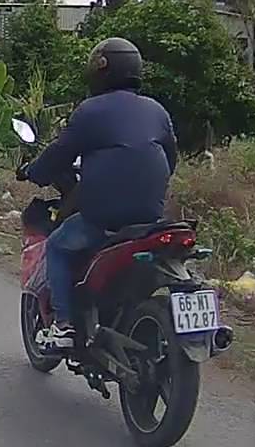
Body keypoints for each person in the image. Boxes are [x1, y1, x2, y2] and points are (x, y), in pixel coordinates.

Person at [17, 37, 177, 349]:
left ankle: (64, 326)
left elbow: (58, 154)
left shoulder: (91, 111)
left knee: (58, 246)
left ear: (100, 71)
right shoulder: (157, 110)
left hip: (103, 218)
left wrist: (33, 171)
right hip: (148, 218)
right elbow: (171, 160)